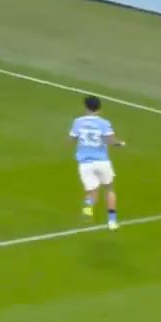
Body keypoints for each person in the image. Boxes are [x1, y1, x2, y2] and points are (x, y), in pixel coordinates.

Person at [70, 96, 123, 229]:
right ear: (99, 108)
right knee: (109, 189)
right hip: (102, 162)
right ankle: (112, 221)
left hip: (85, 164)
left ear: (85, 107)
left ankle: (88, 206)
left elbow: (71, 139)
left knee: (92, 191)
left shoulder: (78, 122)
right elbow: (110, 140)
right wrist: (119, 144)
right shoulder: (104, 123)